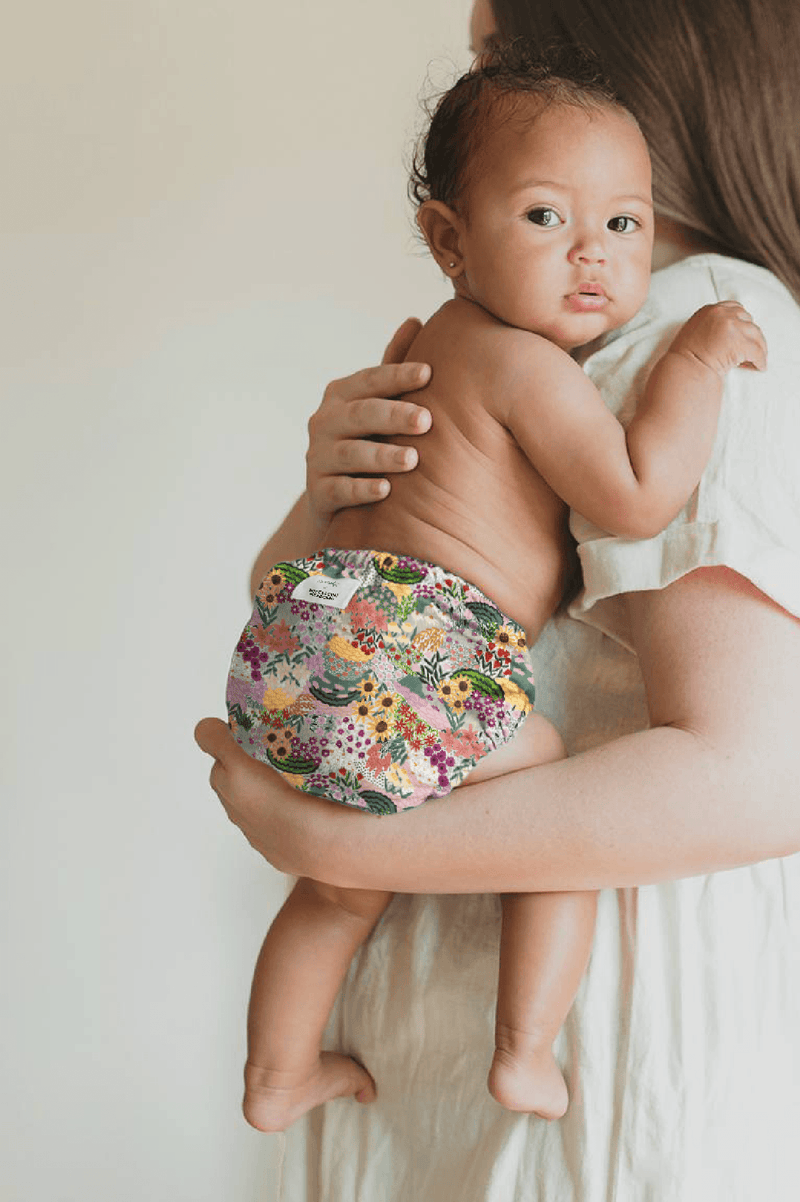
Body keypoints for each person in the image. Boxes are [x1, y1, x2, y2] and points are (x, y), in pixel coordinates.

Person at [197, 0, 800, 1197]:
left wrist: (326, 834)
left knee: (392, 855)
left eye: (497, 57)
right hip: (445, 1058)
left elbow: (761, 768)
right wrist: (326, 491)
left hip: (590, 1095)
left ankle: (354, 1056)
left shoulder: (702, 326)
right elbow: (302, 575)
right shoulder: (532, 340)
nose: (474, 83)